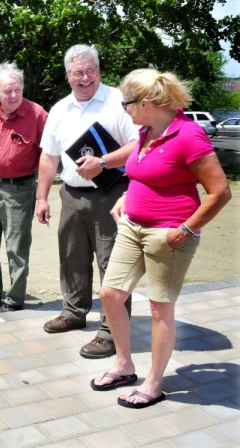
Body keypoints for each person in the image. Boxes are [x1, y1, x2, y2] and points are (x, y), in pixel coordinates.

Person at [90, 69, 231, 408]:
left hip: (168, 235)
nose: (125, 109)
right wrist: (126, 193)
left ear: (148, 103)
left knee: (158, 309)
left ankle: (153, 383)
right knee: (110, 293)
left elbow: (220, 191)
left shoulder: (189, 135)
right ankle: (124, 365)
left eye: (128, 104)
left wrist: (186, 229)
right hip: (132, 226)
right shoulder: (146, 131)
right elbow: (139, 164)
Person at [35, 44, 138, 359]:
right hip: (72, 194)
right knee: (72, 257)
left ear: (99, 71)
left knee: (113, 264)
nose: (85, 77)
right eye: (78, 72)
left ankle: (110, 332)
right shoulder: (60, 109)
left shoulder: (118, 102)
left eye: (90, 70)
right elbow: (49, 156)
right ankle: (74, 311)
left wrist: (104, 162)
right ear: (68, 75)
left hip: (112, 193)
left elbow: (138, 144)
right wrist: (42, 197)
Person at [0, 62, 48, 313]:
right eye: (7, 91)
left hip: (20, 188)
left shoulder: (38, 115)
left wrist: (42, 195)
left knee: (16, 247)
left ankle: (14, 299)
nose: (14, 96)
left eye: (18, 89)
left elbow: (49, 156)